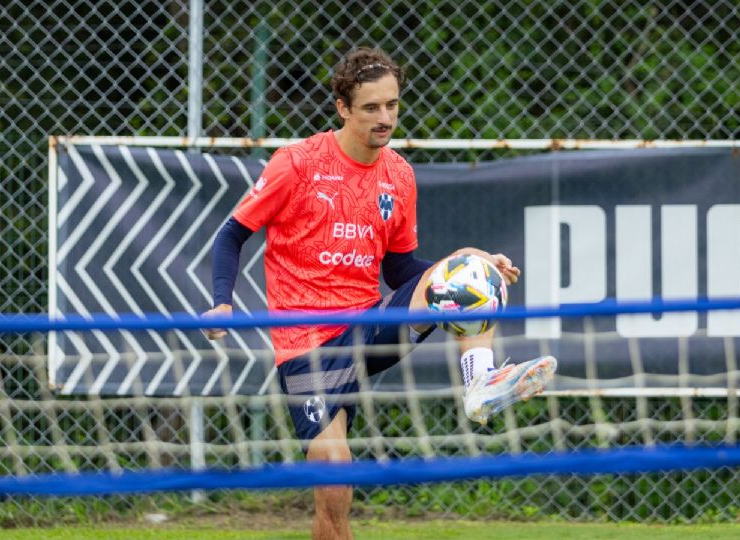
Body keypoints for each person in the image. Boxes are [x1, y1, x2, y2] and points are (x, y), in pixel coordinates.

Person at [204, 47, 556, 540]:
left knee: (471, 267)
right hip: (305, 349)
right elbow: (232, 234)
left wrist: (464, 267)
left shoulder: (399, 174)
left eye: (392, 104)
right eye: (371, 107)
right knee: (334, 487)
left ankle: (480, 383)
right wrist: (222, 300)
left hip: (370, 327)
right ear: (343, 108)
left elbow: (399, 271)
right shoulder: (297, 164)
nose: (385, 117)